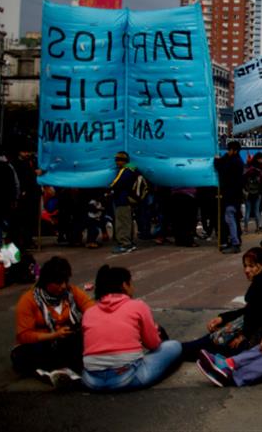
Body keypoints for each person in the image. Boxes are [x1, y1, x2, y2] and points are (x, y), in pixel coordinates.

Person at [188, 248, 262, 387]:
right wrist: (223, 318)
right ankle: (224, 365)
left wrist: (244, 335)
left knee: (204, 346)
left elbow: (255, 316)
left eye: (251, 266)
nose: (247, 270)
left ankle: (225, 366)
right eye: (245, 266)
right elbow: (249, 311)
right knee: (202, 345)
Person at [81, 266, 182, 392]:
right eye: (131, 283)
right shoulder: (137, 306)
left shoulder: (89, 313)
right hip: (127, 377)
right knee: (173, 346)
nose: (133, 287)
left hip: (91, 381)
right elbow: (153, 344)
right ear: (124, 285)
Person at [12, 256, 94, 387]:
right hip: (43, 344)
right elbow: (24, 335)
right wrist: (53, 335)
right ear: (46, 282)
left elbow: (92, 310)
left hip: (67, 342)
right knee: (22, 355)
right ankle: (54, 371)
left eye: (65, 281)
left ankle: (56, 370)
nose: (63, 286)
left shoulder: (72, 292)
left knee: (82, 342)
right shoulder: (28, 300)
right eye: (58, 283)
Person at [215, 141, 245, 254]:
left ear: (234, 150)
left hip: (232, 196)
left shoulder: (234, 162)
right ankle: (234, 240)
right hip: (234, 196)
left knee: (230, 219)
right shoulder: (237, 161)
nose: (227, 152)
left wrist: (217, 161)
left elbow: (222, 170)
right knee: (232, 219)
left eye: (229, 150)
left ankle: (235, 243)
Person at [109, 151, 139, 254]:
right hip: (129, 199)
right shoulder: (133, 169)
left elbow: (116, 183)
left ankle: (125, 244)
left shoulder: (125, 170)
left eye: (118, 160)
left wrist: (109, 190)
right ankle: (130, 242)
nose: (116, 162)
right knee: (127, 221)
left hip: (122, 199)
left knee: (122, 222)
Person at [244, 152, 262, 233]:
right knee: (257, 211)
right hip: (258, 193)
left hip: (248, 193)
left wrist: (245, 190)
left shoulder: (248, 170)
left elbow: (243, 181)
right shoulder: (259, 171)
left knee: (247, 211)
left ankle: (246, 229)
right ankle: (257, 228)